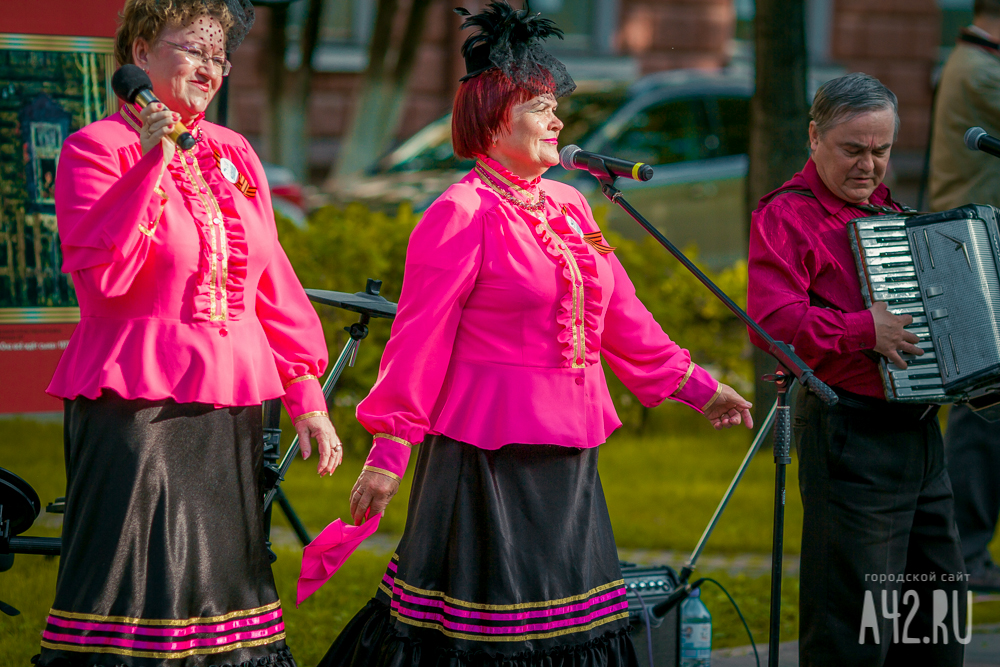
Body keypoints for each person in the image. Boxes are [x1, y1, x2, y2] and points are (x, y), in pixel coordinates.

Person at [316, 3, 754, 666]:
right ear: (494, 121)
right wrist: (389, 450)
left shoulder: (574, 206)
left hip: (570, 445)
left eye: (556, 106)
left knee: (569, 624)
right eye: (540, 107)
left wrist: (697, 386)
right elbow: (418, 341)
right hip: (487, 449)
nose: (558, 120)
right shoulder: (459, 212)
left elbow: (623, 314)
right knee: (490, 632)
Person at [37, 1, 341, 665]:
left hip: (229, 401)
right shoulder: (94, 148)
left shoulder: (235, 152)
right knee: (136, 596)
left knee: (218, 596)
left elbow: (271, 284)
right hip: (135, 402)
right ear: (142, 51)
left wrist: (307, 396)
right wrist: (150, 162)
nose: (212, 67)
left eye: (220, 55)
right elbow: (103, 279)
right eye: (196, 48)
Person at [748, 73, 968, 667]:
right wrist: (864, 329)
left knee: (936, 621)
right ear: (814, 136)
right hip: (850, 436)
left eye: (881, 150)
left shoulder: (893, 214)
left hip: (920, 434)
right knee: (853, 629)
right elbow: (772, 324)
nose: (870, 165)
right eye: (853, 149)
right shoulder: (786, 215)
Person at [928, 0, 1000, 594]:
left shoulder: (973, 60)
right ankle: (964, 554)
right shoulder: (981, 71)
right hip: (969, 255)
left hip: (971, 247)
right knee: (983, 408)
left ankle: (967, 551)